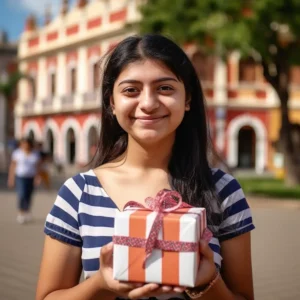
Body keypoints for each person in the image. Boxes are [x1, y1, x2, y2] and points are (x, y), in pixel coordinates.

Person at [36, 34, 255, 300]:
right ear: (112, 103)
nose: (148, 104)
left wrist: (207, 283)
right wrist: (100, 285)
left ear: (187, 99)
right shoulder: (79, 193)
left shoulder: (223, 191)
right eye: (131, 90)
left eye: (165, 88)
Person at [7, 137, 40, 224]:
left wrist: (37, 177)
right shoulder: (17, 153)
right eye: (24, 143)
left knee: (29, 195)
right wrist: (11, 178)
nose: (25, 145)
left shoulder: (35, 154)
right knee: (22, 194)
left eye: (27, 143)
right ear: (21, 144)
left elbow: (37, 167)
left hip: (31, 177)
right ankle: (21, 212)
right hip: (20, 177)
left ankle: (27, 211)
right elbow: (12, 166)